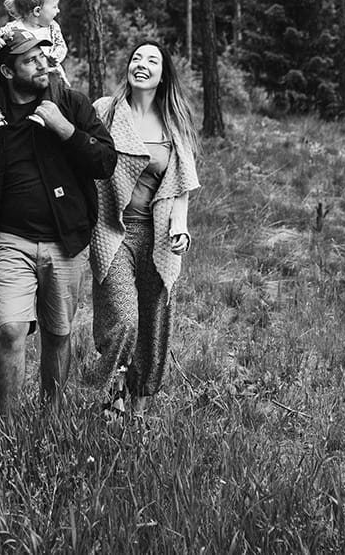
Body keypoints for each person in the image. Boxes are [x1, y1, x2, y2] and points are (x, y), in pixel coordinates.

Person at [0, 26, 117, 421]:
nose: (43, 63)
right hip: (12, 240)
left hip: (66, 241)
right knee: (11, 329)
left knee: (58, 334)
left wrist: (65, 129)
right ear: (8, 72)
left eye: (45, 56)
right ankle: (7, 427)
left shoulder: (72, 104)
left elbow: (104, 163)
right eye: (30, 60)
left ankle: (51, 419)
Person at [87, 40, 200, 417]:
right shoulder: (106, 110)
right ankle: (107, 392)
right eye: (136, 57)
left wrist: (180, 227)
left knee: (151, 324)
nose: (142, 64)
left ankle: (135, 407)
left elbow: (180, 184)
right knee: (124, 319)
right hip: (112, 230)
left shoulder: (174, 122)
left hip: (158, 237)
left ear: (163, 73)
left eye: (152, 60)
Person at [0, 0, 70, 86]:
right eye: (54, 7)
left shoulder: (53, 27)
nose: (58, 10)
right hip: (23, 80)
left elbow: (61, 46)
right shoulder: (13, 28)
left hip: (49, 76)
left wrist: (55, 57)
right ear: (37, 11)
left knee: (56, 98)